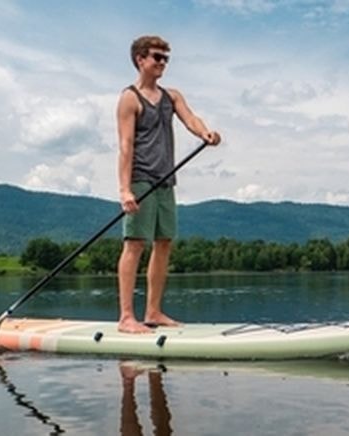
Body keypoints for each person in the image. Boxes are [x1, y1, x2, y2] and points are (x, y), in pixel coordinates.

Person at [116, 35, 221, 333]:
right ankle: (126, 317)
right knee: (135, 245)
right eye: (157, 57)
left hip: (165, 182)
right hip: (140, 181)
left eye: (166, 58)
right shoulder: (129, 98)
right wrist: (124, 190)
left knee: (164, 244)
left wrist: (206, 134)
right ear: (140, 59)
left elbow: (191, 119)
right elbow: (125, 146)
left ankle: (153, 312)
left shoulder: (172, 96)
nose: (162, 63)